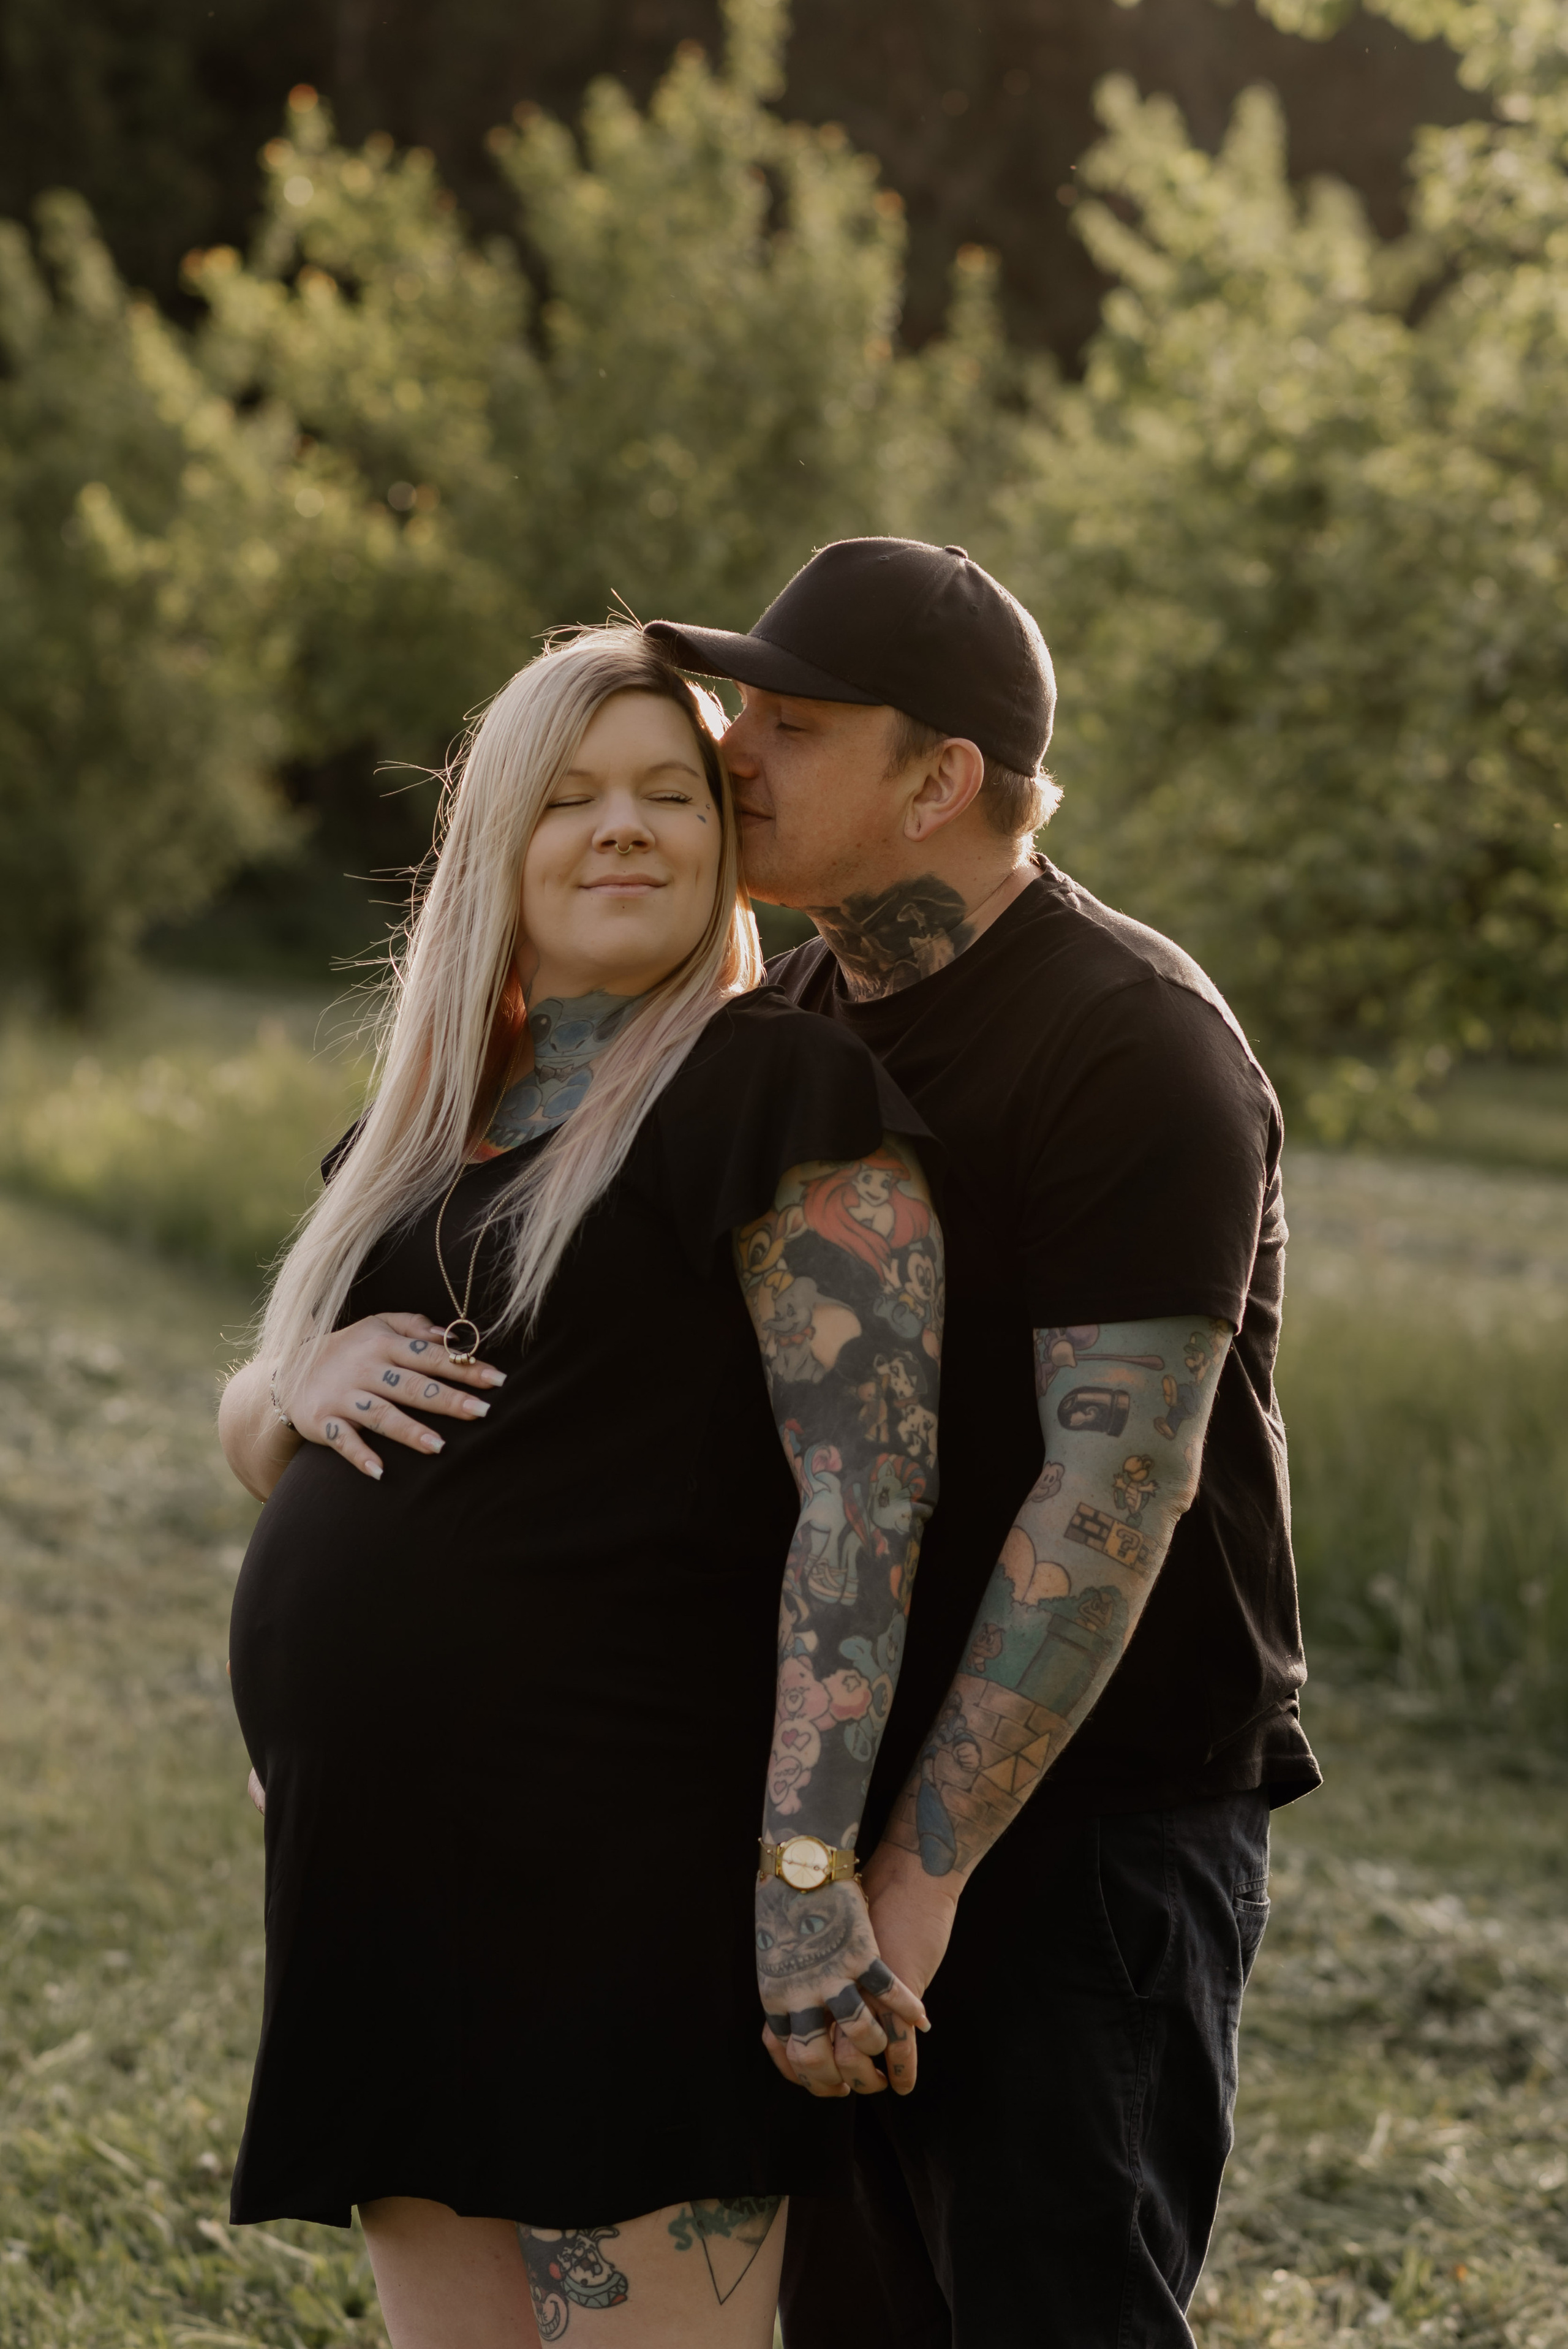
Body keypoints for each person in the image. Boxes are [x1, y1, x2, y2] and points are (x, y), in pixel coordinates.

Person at [216, 627, 939, 2349]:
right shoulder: (414, 1132)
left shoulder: (781, 1089)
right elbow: (278, 1432)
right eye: (571, 796)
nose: (622, 829)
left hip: (632, 1867)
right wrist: (280, 1383)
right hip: (380, 1863)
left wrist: (804, 1870)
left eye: (669, 794)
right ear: (498, 846)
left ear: (720, 842)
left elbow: (867, 1517)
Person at [646, 538, 1321, 2349]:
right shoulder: (788, 1025)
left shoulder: (1131, 1045)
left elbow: (1111, 1491)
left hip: (1089, 1831)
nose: (736, 752)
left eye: (793, 722)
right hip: (841, 1812)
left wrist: (914, 1879)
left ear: (939, 778)